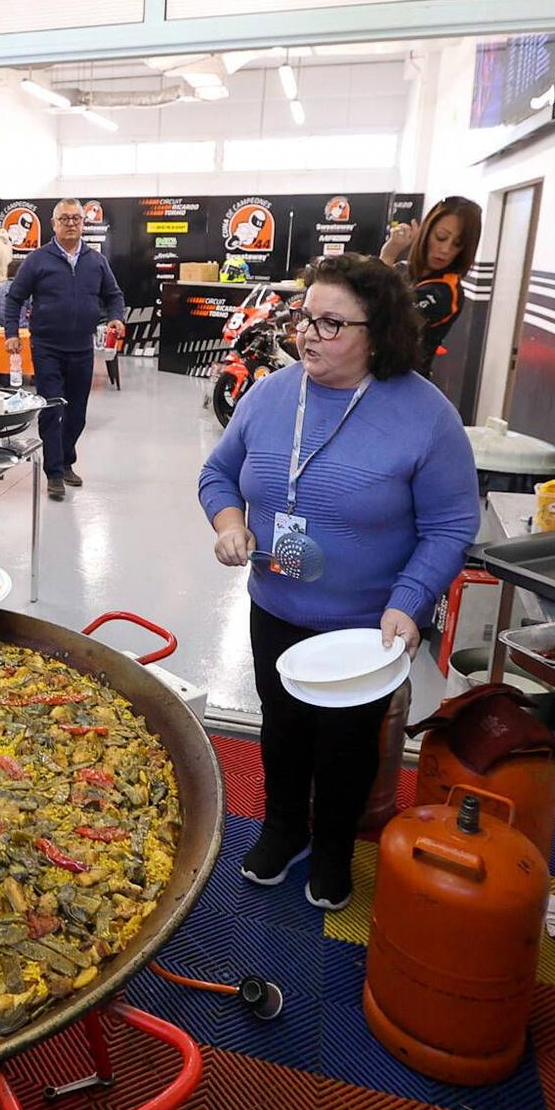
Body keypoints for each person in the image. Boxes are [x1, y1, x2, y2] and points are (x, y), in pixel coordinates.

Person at [198, 254, 479, 908]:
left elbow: (450, 524)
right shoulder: (271, 394)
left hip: (365, 624)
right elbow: (218, 473)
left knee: (350, 747)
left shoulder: (424, 416)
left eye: (331, 323)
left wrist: (410, 604)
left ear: (377, 332)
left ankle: (332, 847)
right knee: (282, 726)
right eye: (305, 317)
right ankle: (284, 828)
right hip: (275, 605)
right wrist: (230, 522)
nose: (308, 335)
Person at [4, 199, 126, 501]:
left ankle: (66, 459)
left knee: (77, 415)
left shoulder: (96, 261)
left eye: (76, 218)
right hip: (47, 347)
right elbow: (14, 298)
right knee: (52, 410)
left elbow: (113, 295)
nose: (71, 223)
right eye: (65, 218)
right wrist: (11, 333)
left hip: (82, 348)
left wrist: (116, 317)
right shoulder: (37, 260)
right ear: (54, 223)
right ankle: (55, 473)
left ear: (83, 223)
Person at [398, 197, 483, 378]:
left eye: (457, 244)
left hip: (402, 387)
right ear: (426, 232)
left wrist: (387, 256)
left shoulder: (444, 292)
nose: (445, 249)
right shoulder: (403, 269)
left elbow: (384, 323)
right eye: (441, 237)